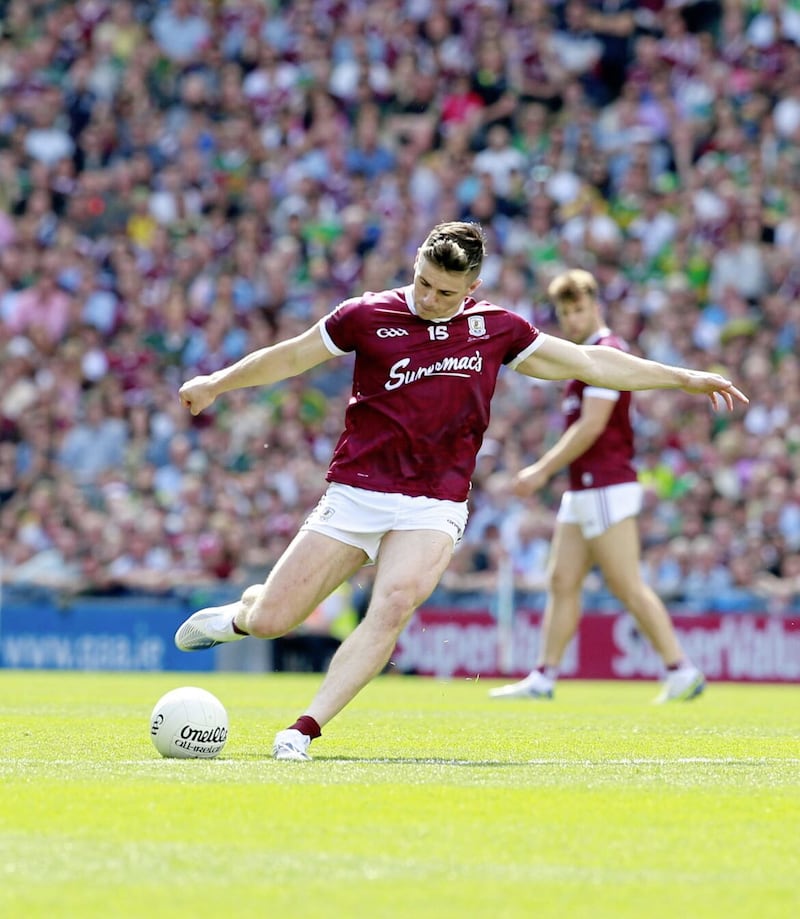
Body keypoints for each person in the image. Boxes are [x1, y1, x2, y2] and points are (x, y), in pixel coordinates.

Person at [174, 222, 746, 760]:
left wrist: (684, 377)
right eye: (424, 281)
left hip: (434, 502)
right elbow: (292, 355)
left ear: (472, 288)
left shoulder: (497, 329)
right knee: (275, 618)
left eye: (447, 292)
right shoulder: (367, 314)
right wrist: (217, 383)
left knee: (394, 603)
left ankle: (303, 729)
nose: (429, 298)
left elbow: (591, 361)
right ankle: (244, 615)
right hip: (357, 491)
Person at [489, 269, 707, 705]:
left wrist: (541, 470)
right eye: (565, 312)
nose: (571, 319)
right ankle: (545, 676)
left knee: (627, 585)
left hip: (605, 486)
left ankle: (681, 670)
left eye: (579, 309)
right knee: (562, 580)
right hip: (584, 489)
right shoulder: (582, 357)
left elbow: (591, 427)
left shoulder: (608, 352)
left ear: (596, 307)